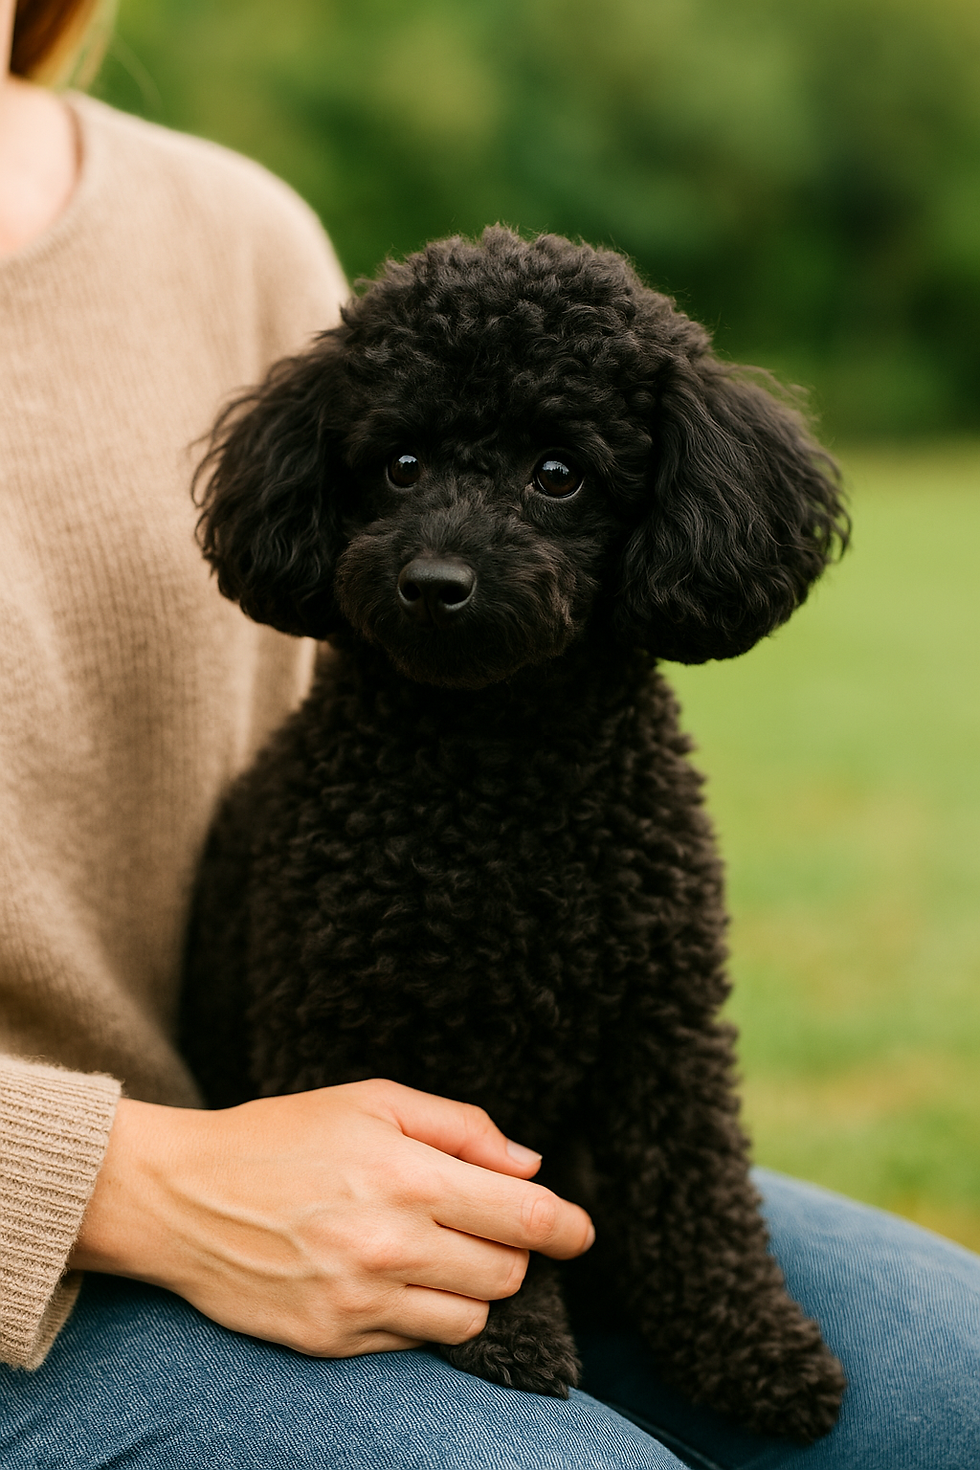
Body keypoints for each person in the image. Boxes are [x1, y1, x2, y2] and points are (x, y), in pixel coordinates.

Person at [1, 3, 978, 1466]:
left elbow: (658, 1044)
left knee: (954, 1386)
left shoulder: (233, 226)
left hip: (394, 1153)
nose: (449, 543)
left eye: (549, 476)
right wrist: (114, 1181)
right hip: (85, 1229)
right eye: (404, 469)